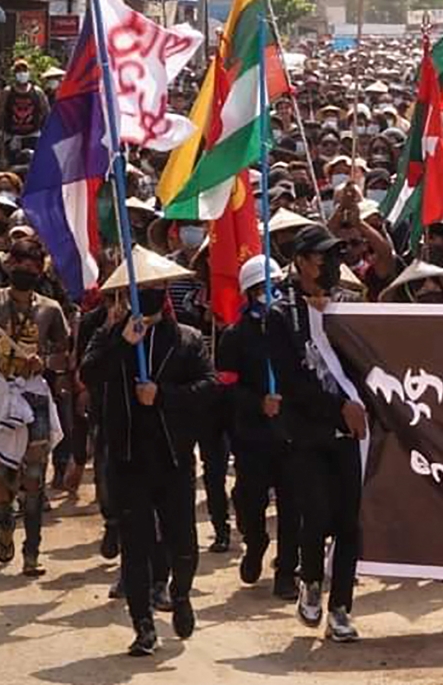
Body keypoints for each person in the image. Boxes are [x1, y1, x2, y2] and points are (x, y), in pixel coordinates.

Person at [80, 246, 215, 656]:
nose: (150, 294)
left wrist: (163, 396)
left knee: (183, 542)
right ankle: (142, 625)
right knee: (135, 546)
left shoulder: (187, 339)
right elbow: (89, 372)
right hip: (128, 458)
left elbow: (208, 388)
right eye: (142, 288)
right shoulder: (109, 335)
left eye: (156, 287)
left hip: (172, 457)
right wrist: (122, 342)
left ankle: (181, 592)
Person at [272, 225, 370, 642]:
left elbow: (367, 362)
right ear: (300, 262)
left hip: (349, 435)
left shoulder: (348, 308)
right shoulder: (281, 315)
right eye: (320, 257)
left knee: (349, 523)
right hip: (307, 433)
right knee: (315, 516)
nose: (329, 264)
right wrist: (337, 408)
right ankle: (311, 580)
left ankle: (341, 608)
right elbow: (293, 383)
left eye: (334, 256)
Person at [218, 255, 301, 601]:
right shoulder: (234, 336)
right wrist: (257, 403)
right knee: (250, 502)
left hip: (291, 433)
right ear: (249, 294)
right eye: (263, 289)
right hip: (252, 437)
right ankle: (255, 543)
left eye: (276, 287)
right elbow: (225, 386)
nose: (272, 295)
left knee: (293, 505)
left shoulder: (294, 329)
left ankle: (286, 571)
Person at [0, 237, 71, 578]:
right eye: (18, 262)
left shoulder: (51, 309)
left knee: (35, 478)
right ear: (8, 264)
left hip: (33, 397)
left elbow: (64, 354)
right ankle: (4, 522)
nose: (24, 268)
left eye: (31, 263)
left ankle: (32, 552)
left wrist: (45, 362)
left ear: (40, 269)